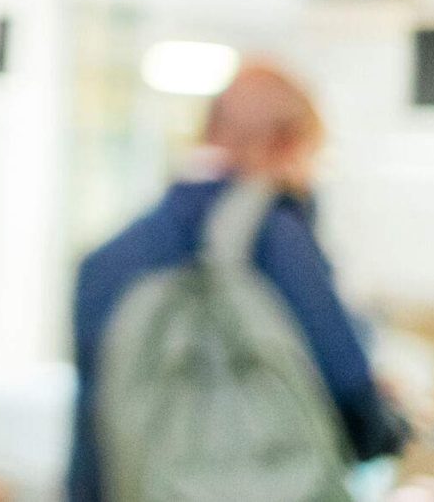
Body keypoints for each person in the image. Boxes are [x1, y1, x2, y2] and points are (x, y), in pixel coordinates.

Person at [67, 59, 407, 501]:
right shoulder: (275, 235)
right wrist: (389, 421)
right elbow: (350, 395)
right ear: (288, 144)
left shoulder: (105, 261)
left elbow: (92, 437)